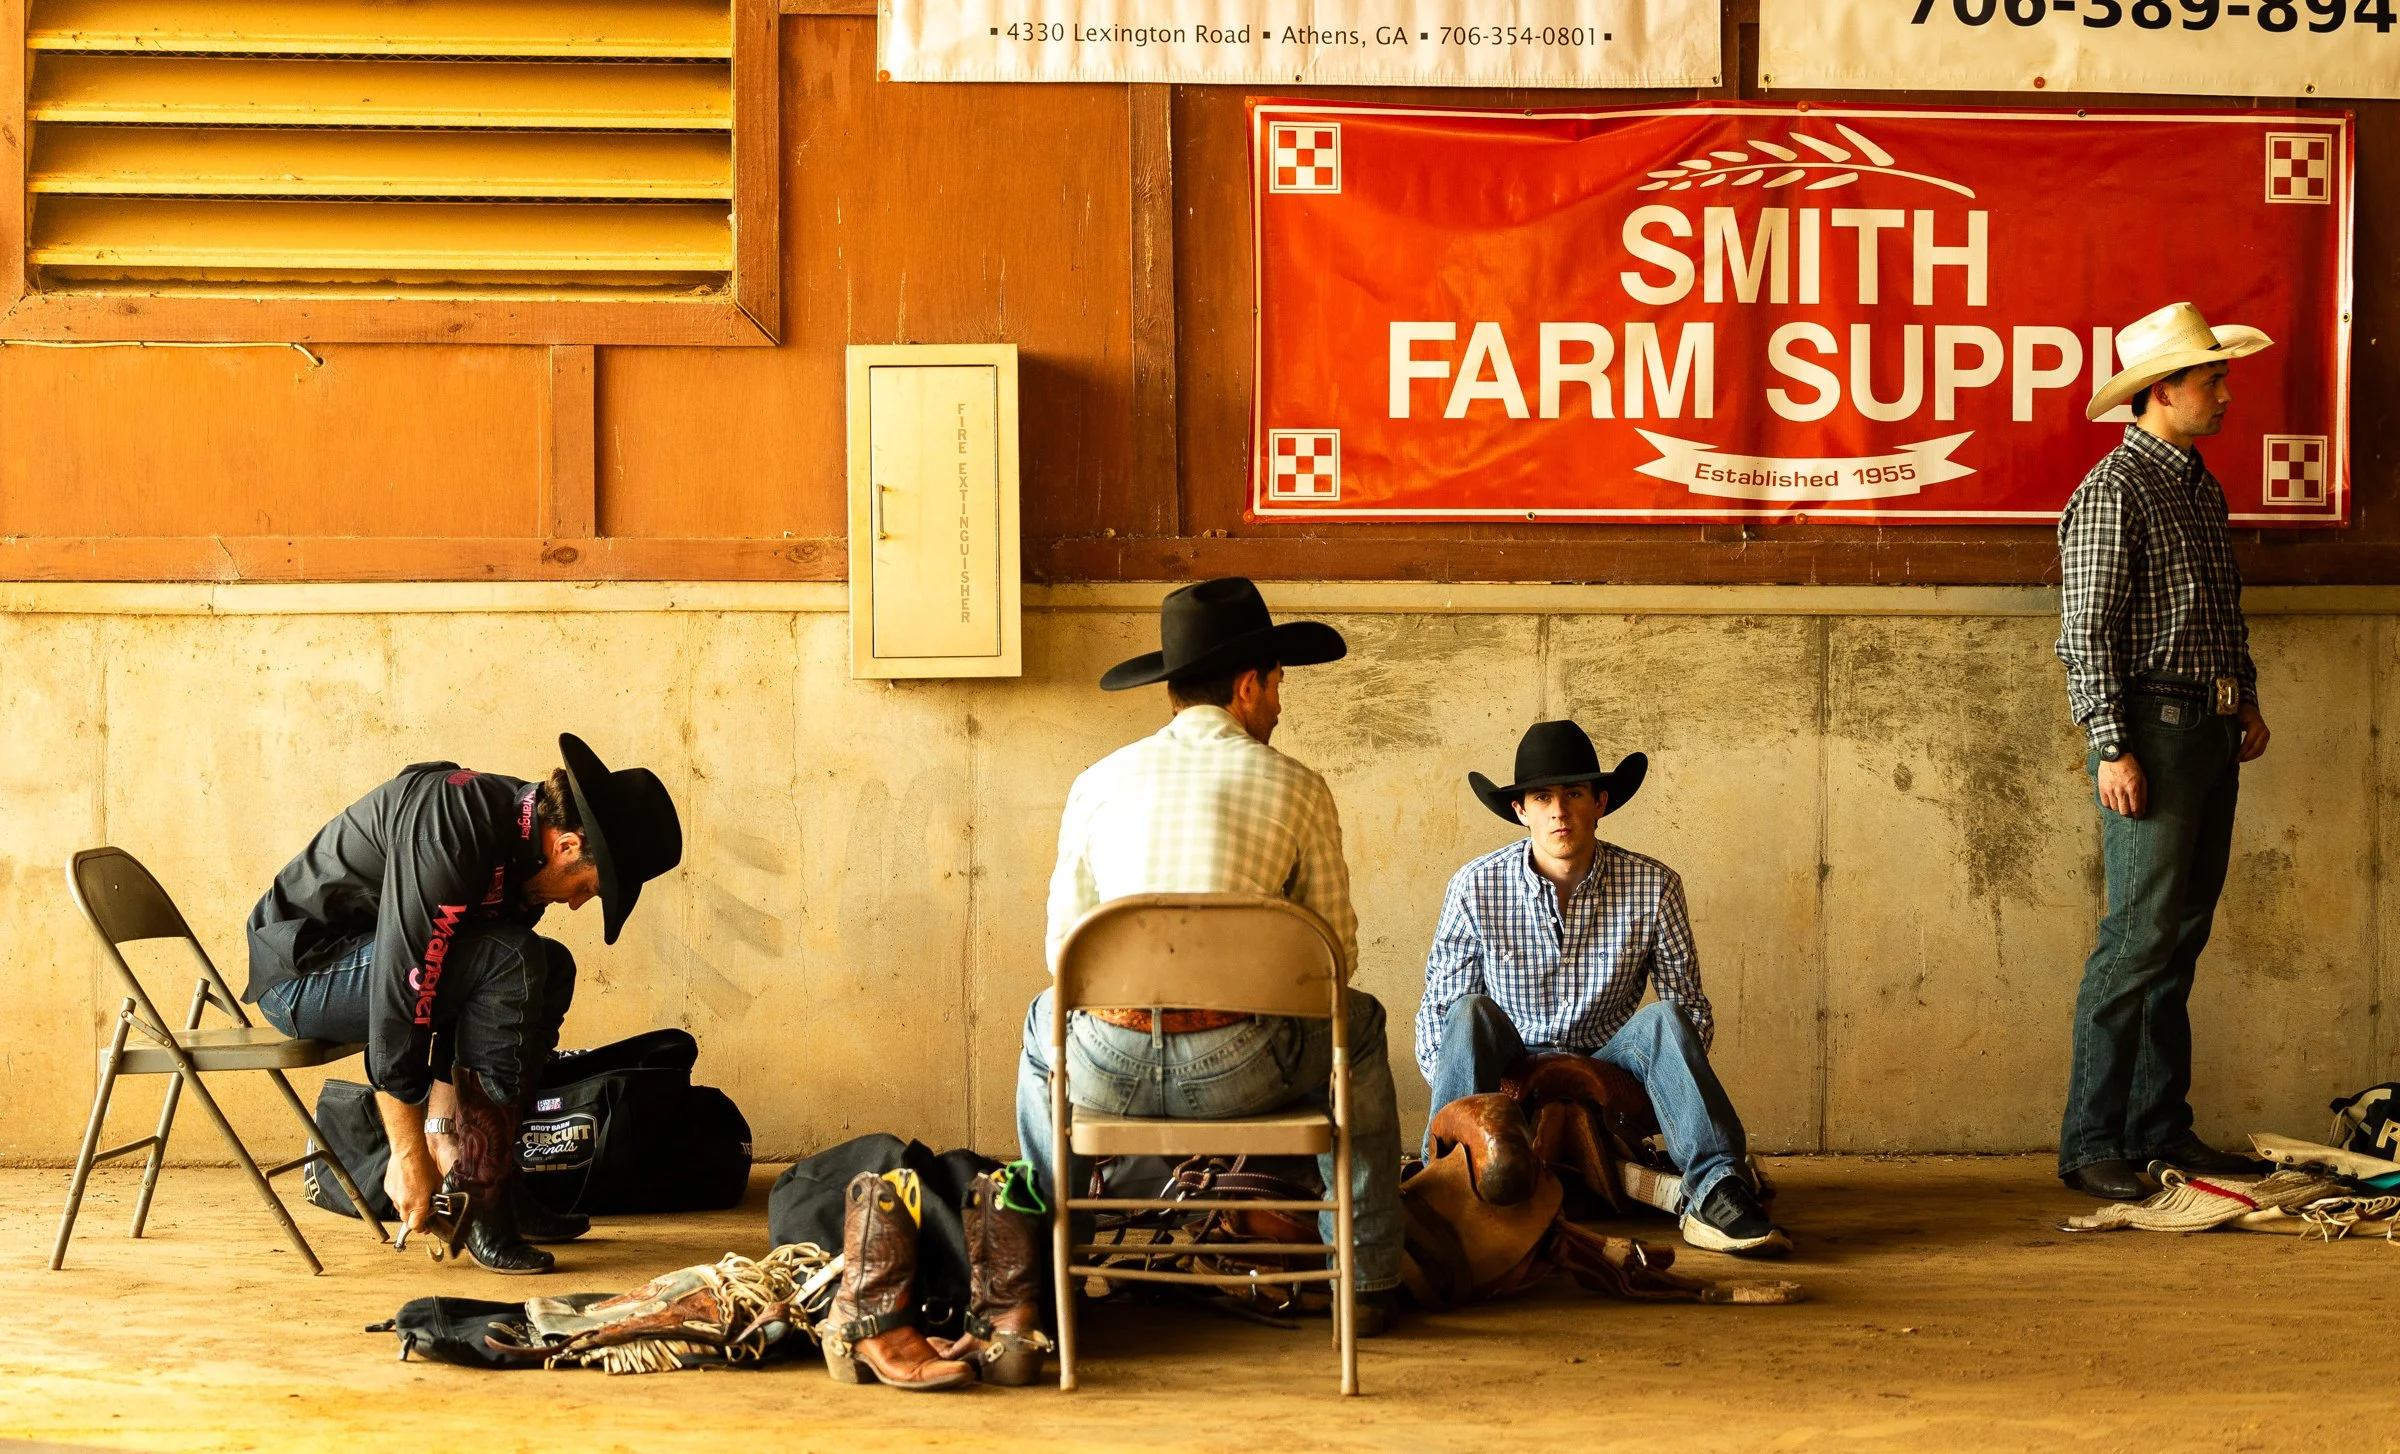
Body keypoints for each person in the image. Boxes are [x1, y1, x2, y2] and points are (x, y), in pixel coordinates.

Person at [1014, 577, 1408, 1332]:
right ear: (1249, 684)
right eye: (1280, 685)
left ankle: (1043, 1271)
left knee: (1041, 1023)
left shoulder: (1097, 782)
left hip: (1109, 1067)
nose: (1281, 704)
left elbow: (1063, 953)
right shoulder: (1297, 785)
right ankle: (1367, 1280)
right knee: (1358, 1023)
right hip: (1243, 1072)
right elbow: (1335, 962)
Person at [244, 735, 682, 1270]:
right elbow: (401, 995)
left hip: (378, 969)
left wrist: (443, 1139)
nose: (574, 903)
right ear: (567, 846)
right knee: (512, 958)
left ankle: (489, 1182)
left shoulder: (520, 871)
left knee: (548, 966)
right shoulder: (454, 829)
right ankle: (487, 1201)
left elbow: (461, 1008)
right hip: (305, 971)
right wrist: (408, 1156)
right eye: (589, 888)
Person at [1415, 720, 1789, 1258]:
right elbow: (1437, 1021)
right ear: (1521, 809)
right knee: (1468, 1011)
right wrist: (1487, 1092)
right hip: (1510, 1057)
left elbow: (1691, 1014)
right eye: (1542, 797)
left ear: (1601, 802)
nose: (1559, 812)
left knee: (1665, 1018)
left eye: (1573, 794)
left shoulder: (1654, 886)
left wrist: (1652, 1093)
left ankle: (1714, 1188)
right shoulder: (1473, 886)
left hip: (1609, 1062)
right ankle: (1443, 1185)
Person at [2054, 302, 2275, 1201]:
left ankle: (2159, 1130)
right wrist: (2111, 743)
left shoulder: (2197, 484)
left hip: (2209, 730)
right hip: (2153, 730)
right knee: (2137, 940)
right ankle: (2092, 1139)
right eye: (2210, 378)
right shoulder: (2115, 490)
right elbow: (2085, 632)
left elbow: (2220, 609)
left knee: (2177, 938)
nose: (2224, 392)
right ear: (2161, 392)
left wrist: (2246, 699)